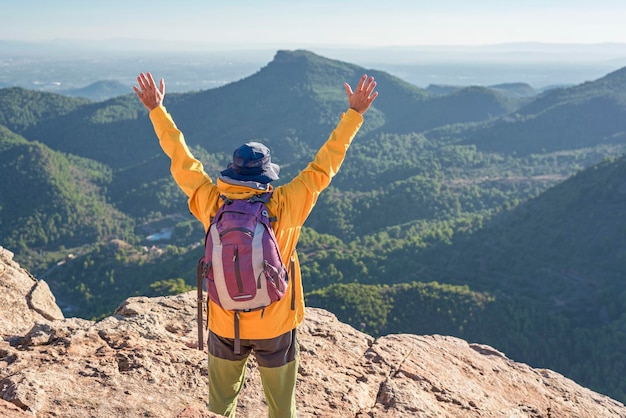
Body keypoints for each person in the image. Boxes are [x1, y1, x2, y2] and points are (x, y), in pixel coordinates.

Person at [133, 71, 378, 418]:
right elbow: (325, 165)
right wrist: (354, 114)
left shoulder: (212, 201)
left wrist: (157, 109)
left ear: (232, 171)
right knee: (281, 409)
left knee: (220, 406)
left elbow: (182, 161)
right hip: (275, 325)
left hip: (223, 321)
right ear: (267, 177)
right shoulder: (287, 203)